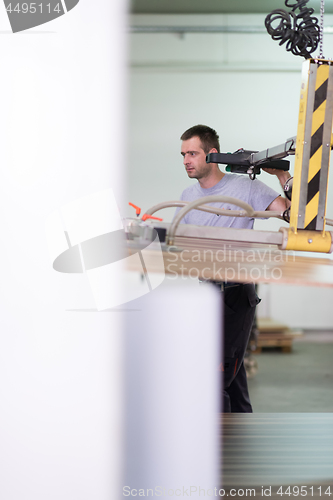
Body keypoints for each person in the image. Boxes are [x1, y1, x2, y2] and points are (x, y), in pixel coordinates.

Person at [177, 125, 291, 413]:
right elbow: (178, 243)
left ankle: (221, 450)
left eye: (192, 153)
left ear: (212, 154)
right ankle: (242, 440)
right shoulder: (187, 195)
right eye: (183, 155)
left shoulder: (245, 187)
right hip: (206, 293)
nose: (186, 161)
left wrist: (282, 175)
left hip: (236, 294)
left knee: (217, 376)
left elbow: (292, 214)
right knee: (233, 377)